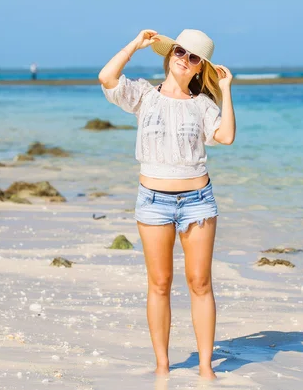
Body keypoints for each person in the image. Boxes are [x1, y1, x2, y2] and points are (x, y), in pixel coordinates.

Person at [98, 29, 236, 380]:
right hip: (154, 201)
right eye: (179, 51)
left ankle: (206, 368)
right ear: (169, 54)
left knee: (200, 283)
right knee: (159, 283)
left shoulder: (203, 105)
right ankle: (163, 365)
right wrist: (134, 45)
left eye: (193, 57)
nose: (183, 59)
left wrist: (226, 90)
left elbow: (226, 136)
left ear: (199, 68)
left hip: (198, 201)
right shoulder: (144, 95)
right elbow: (107, 77)